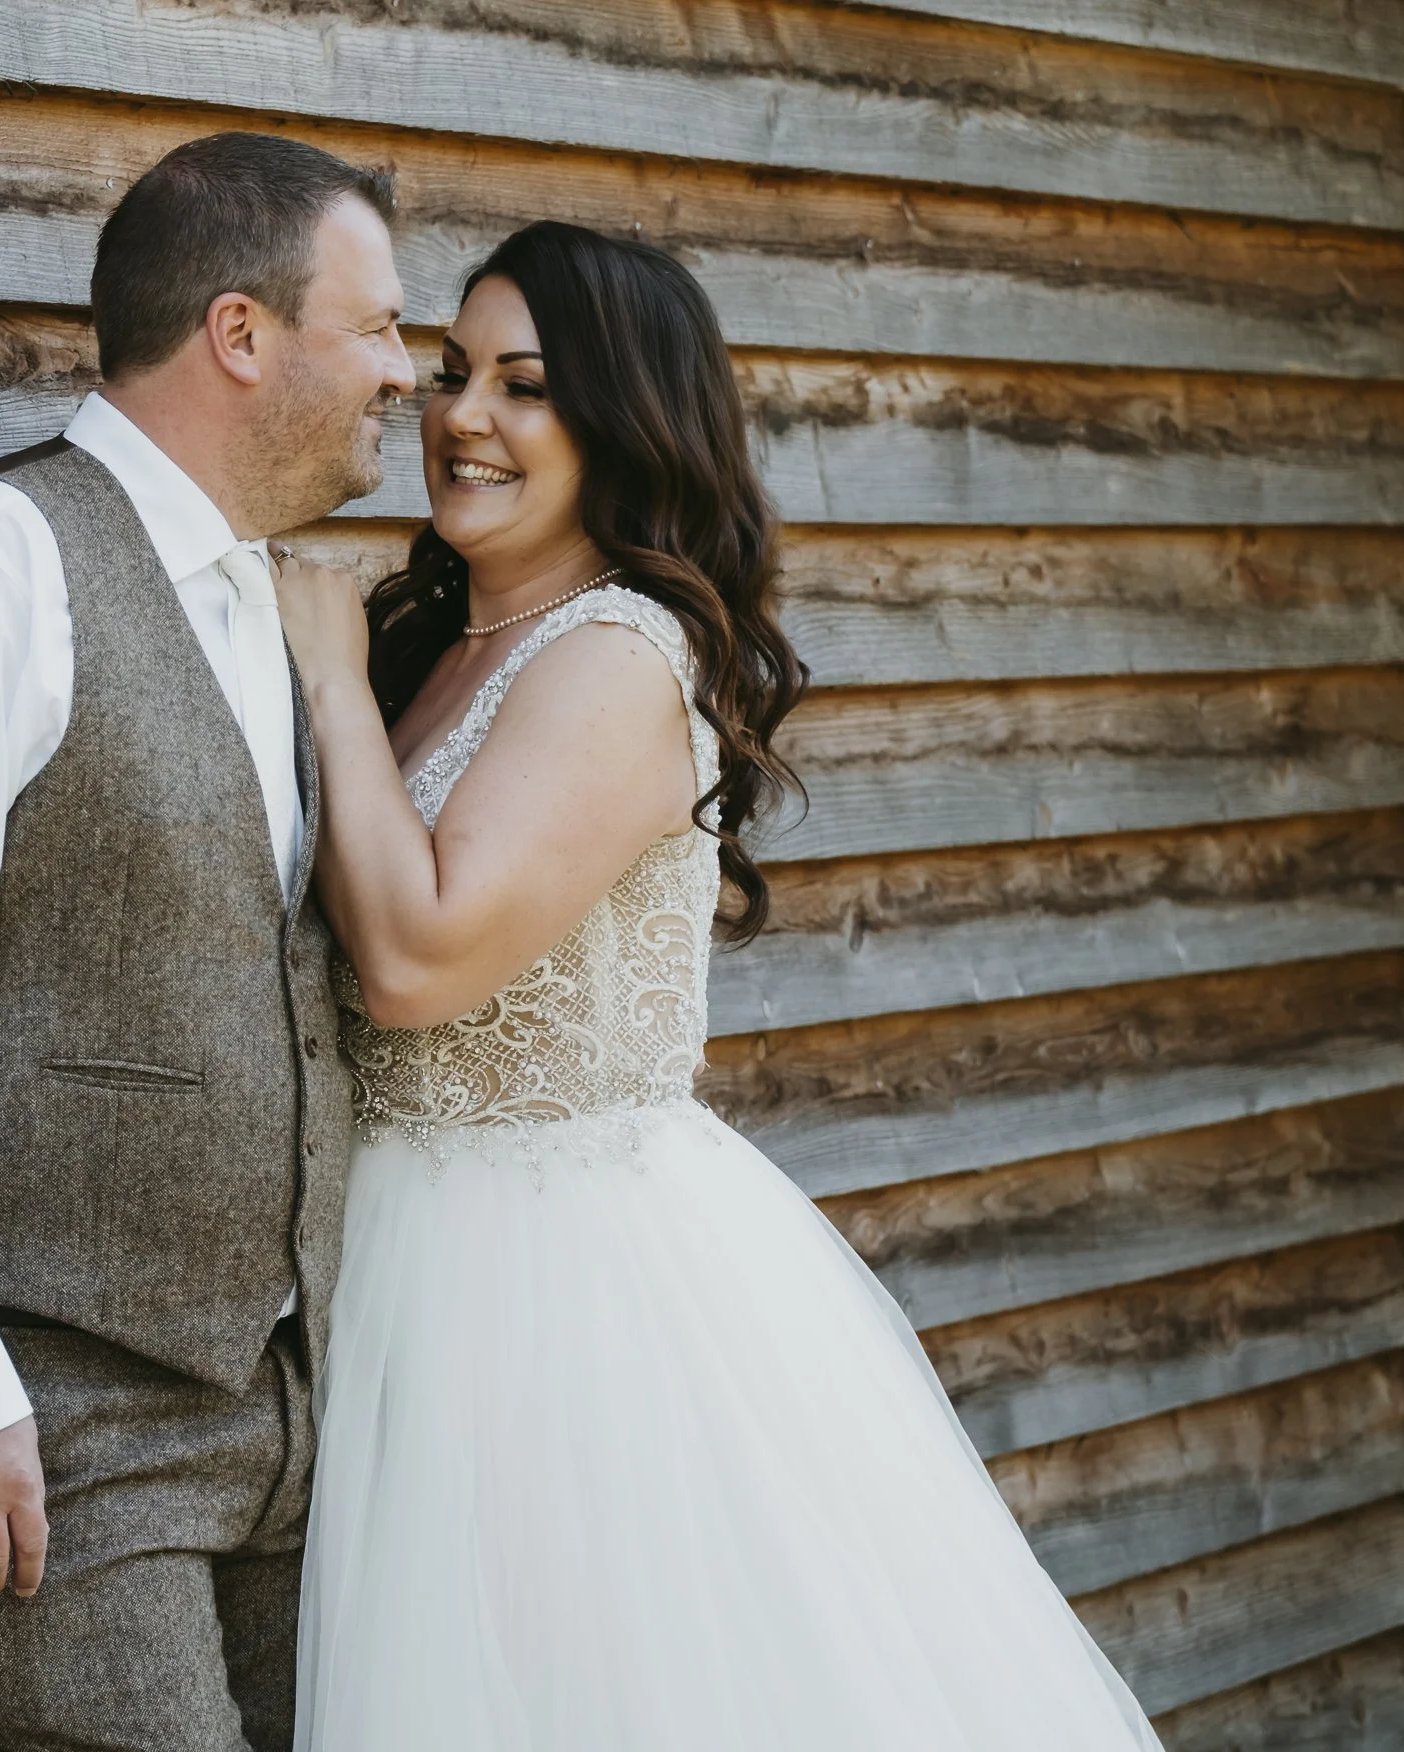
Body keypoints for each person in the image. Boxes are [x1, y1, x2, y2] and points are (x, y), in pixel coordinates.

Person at [273, 221, 1166, 1751]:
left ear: (628, 419)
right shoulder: (444, 641)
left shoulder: (620, 654)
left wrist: (328, 686)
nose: (464, 417)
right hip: (384, 1239)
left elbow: (418, 958)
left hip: (552, 1285)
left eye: (529, 386)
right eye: (452, 372)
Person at [0, 131, 413, 1749]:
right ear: (243, 336)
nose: (410, 374)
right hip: (41, 1424)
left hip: (275, 1422)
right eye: (384, 326)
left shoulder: (267, 605)